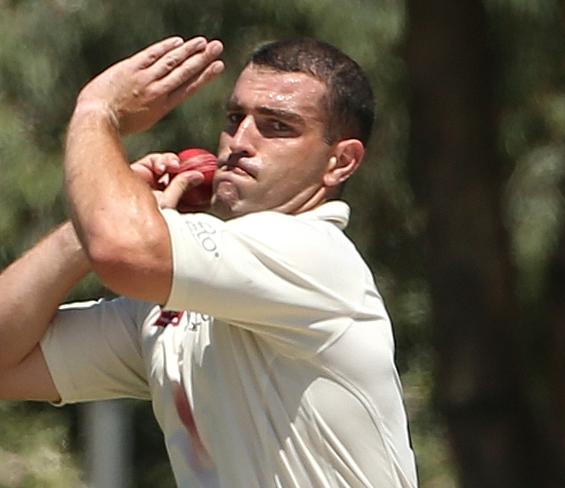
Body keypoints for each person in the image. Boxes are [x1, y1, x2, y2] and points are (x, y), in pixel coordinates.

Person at [0, 36, 418, 487]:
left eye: (277, 126)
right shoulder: (181, 310)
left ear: (340, 162)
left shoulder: (311, 251)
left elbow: (122, 251)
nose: (240, 141)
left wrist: (96, 112)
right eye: (235, 118)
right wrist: (78, 238)